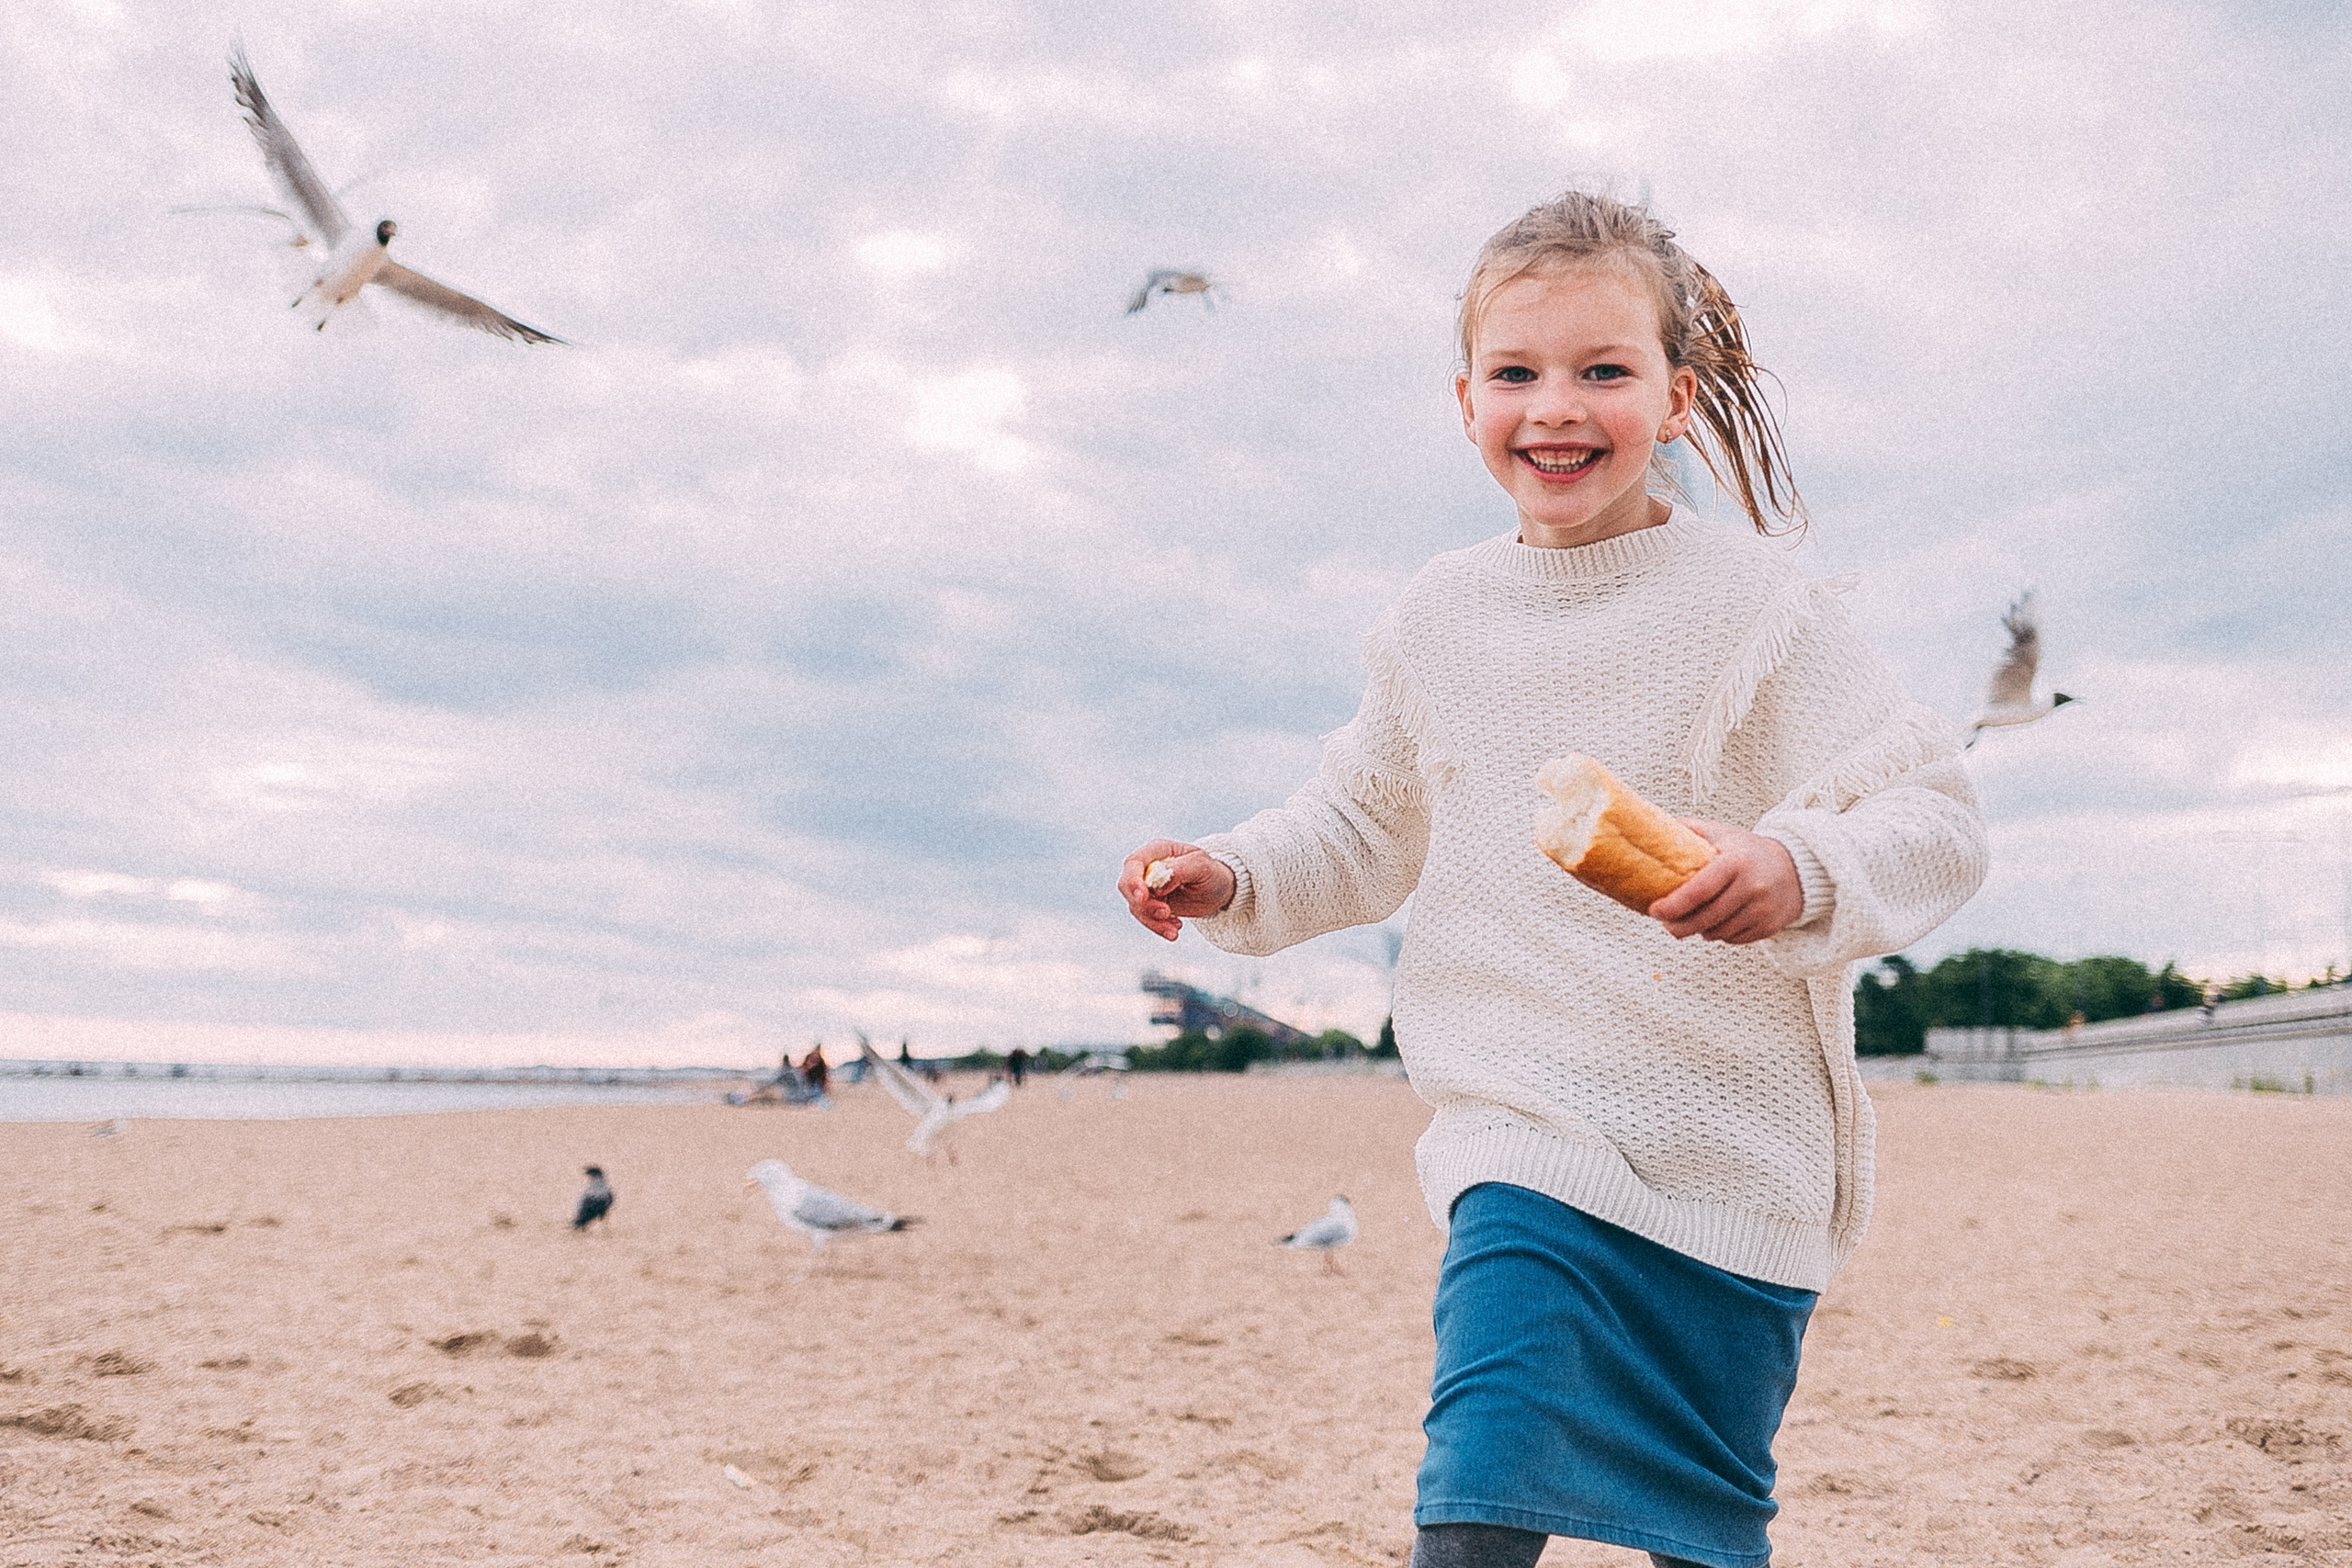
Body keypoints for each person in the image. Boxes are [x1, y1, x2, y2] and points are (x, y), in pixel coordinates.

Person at [1118, 191, 1987, 1568]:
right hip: (1521, 1142)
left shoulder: (1752, 605)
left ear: (1677, 394)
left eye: (1603, 370)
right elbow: (1359, 821)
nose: (1556, 408)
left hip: (1732, 1162)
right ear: (1464, 400)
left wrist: (1798, 868)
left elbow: (1935, 820)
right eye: (1516, 374)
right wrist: (1230, 874)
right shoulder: (1438, 618)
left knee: (1703, 1540)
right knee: (1473, 1510)